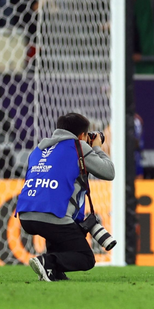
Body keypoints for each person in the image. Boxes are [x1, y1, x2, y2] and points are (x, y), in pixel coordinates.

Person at [16, 113, 115, 282]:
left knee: (60, 230)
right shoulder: (78, 147)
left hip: (25, 215)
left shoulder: (39, 149)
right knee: (86, 258)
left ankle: (53, 272)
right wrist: (97, 147)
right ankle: (48, 262)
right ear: (82, 135)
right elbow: (108, 172)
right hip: (52, 215)